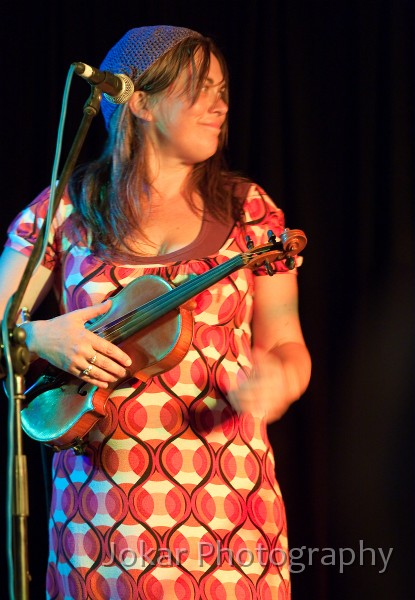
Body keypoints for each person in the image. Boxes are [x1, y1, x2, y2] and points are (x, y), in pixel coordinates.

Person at [0, 25, 311, 599]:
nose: (220, 104)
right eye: (199, 89)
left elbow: (286, 343)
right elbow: (3, 324)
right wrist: (41, 335)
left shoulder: (250, 210)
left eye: (223, 89)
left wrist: (282, 381)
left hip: (229, 512)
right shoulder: (63, 211)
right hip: (99, 515)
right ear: (138, 101)